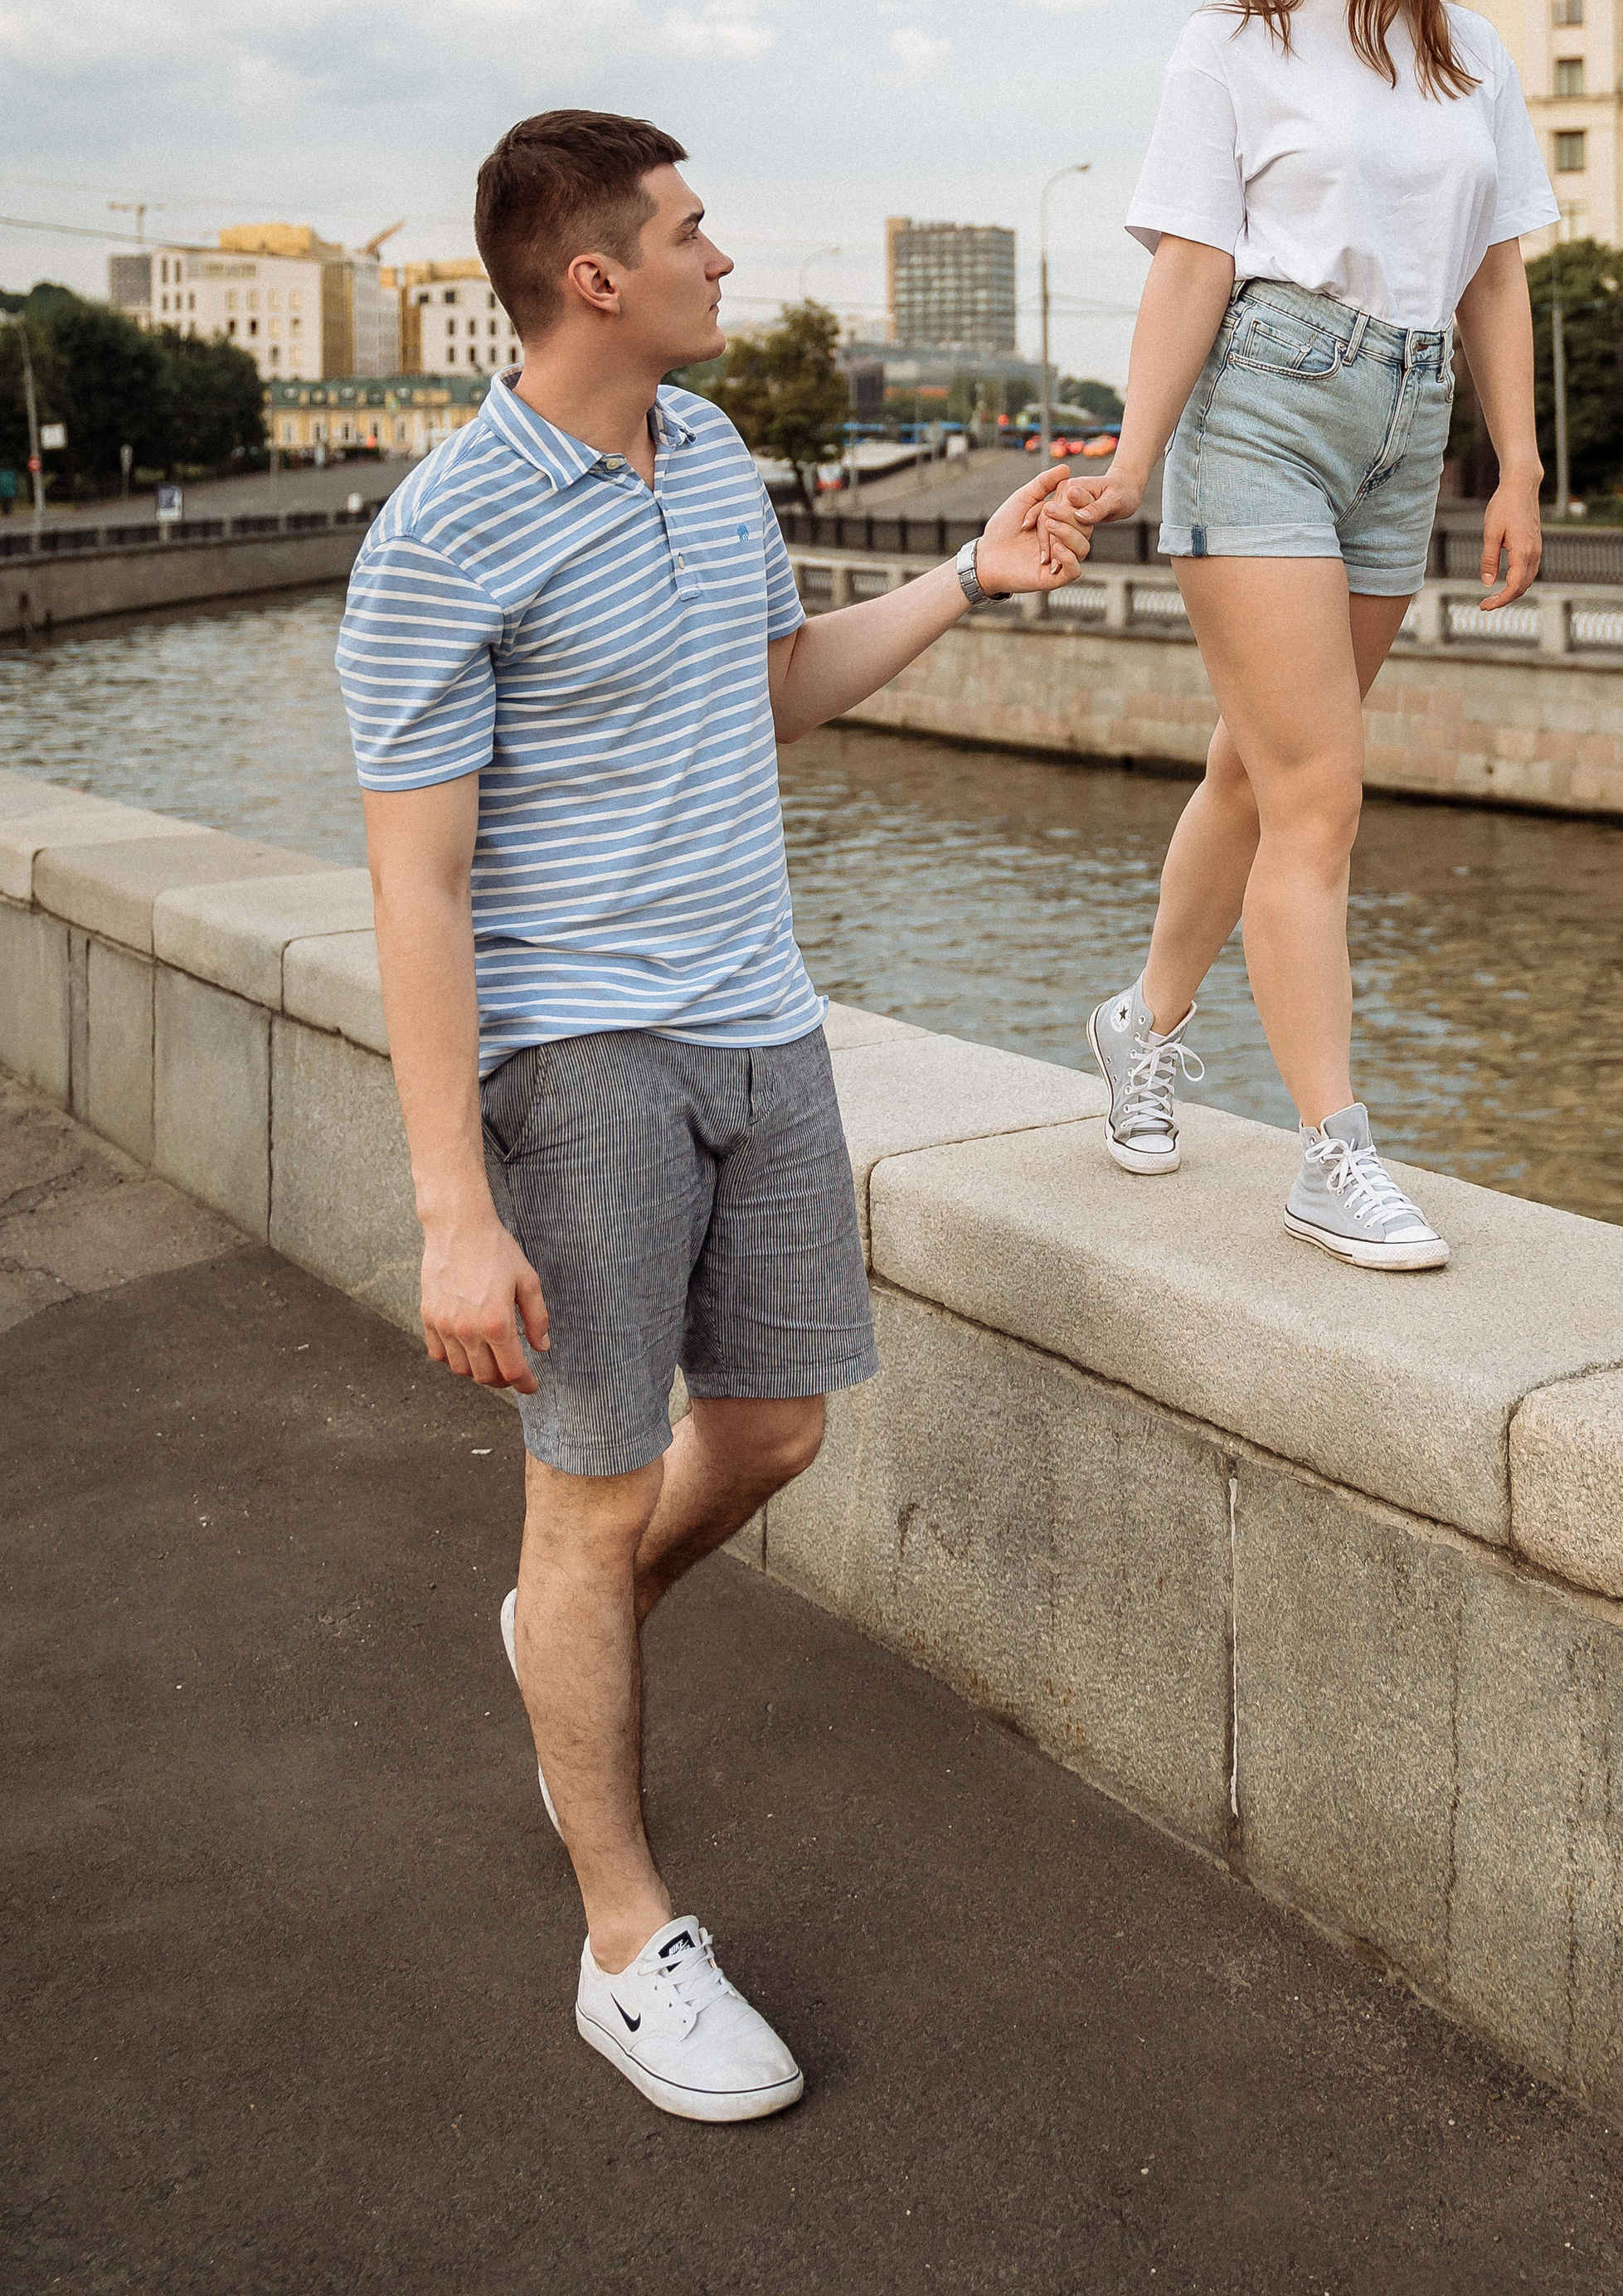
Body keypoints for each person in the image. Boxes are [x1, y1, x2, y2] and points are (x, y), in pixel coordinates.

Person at [336, 111, 1086, 2124]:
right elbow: (412, 886)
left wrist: (964, 574)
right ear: (594, 277)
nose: (721, 259)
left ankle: (556, 1631)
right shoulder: (444, 534)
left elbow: (767, 688)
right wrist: (447, 1211)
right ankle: (625, 1945)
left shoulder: (719, 464)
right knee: (583, 1495)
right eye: (689, 233)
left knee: (770, 1432)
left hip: (762, 1023)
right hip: (578, 1055)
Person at [1061, 0, 1553, 1266]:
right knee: (1322, 795)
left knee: (1260, 769)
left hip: (1404, 432)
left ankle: (1138, 1023)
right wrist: (1137, 456)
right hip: (1264, 410)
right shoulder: (1228, 44)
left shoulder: (1465, 48)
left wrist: (1518, 458)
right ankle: (1330, 1150)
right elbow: (1194, 259)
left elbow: (1494, 270)